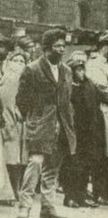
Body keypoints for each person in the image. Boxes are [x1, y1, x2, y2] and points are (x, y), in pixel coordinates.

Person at [16, 28, 76, 218]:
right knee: (35, 163)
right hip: (41, 125)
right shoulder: (32, 69)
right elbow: (22, 100)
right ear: (46, 48)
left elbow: (67, 99)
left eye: (63, 46)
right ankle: (24, 207)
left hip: (62, 126)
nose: (61, 50)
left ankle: (48, 207)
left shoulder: (66, 70)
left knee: (52, 167)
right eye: (57, 46)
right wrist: (35, 118)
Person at [60, 52, 102, 208]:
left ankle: (82, 195)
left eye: (82, 69)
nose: (81, 73)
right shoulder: (67, 87)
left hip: (89, 131)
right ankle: (70, 196)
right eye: (77, 70)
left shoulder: (89, 85)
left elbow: (100, 98)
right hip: (73, 131)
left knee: (85, 164)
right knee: (72, 165)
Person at [0, 52, 28, 203]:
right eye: (15, 60)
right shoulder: (9, 79)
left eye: (21, 61)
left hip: (21, 124)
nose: (18, 63)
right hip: (10, 123)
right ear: (8, 62)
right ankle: (10, 192)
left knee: (17, 160)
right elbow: (7, 104)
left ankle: (15, 191)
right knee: (11, 159)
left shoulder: (23, 79)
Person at [86, 33, 108, 205]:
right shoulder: (94, 65)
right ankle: (100, 192)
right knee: (101, 154)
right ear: (104, 46)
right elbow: (101, 89)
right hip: (101, 113)